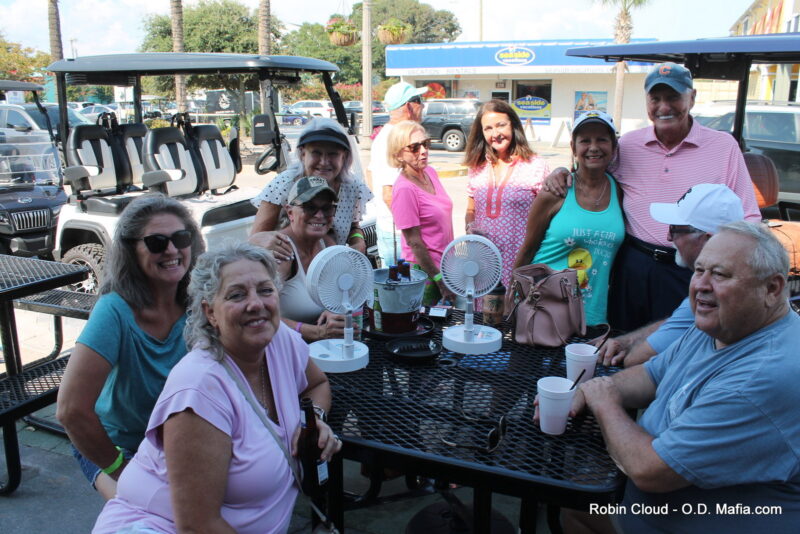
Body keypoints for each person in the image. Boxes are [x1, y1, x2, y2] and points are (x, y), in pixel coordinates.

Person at [553, 221, 800, 533]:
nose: (701, 285)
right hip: (657, 496)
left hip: (688, 516)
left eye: (720, 274)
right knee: (576, 493)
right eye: (699, 271)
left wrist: (603, 401)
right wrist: (596, 388)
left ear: (772, 288)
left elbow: (650, 471)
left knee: (577, 504)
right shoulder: (721, 324)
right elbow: (652, 374)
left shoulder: (759, 377)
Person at [92, 243, 342, 534]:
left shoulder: (279, 340)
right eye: (237, 295)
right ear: (210, 312)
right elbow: (198, 525)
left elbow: (317, 384)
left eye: (265, 290)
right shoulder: (199, 388)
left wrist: (315, 420)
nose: (256, 304)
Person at [543, 62, 761, 331]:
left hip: (690, 268)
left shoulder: (723, 146)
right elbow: (592, 170)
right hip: (633, 265)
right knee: (622, 341)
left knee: (680, 343)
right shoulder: (628, 145)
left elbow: (748, 216)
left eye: (673, 97)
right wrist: (562, 171)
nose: (663, 107)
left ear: (692, 98)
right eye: (655, 98)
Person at [57, 194, 205, 500]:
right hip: (115, 446)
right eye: (156, 242)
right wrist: (120, 469)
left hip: (180, 441)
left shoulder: (199, 302)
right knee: (155, 512)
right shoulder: (115, 311)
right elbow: (71, 410)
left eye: (181, 238)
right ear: (130, 251)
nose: (172, 250)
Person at [595, 184, 745, 367]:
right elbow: (679, 322)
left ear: (708, 239)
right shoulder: (729, 275)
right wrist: (627, 341)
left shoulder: (711, 288)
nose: (668, 237)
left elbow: (636, 360)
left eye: (674, 229)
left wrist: (624, 352)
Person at [513, 111, 624, 325]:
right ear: (573, 147)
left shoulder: (618, 191)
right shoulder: (556, 191)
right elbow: (528, 249)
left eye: (602, 139)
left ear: (614, 147)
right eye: (585, 141)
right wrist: (513, 298)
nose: (593, 147)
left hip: (593, 314)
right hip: (544, 309)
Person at [250, 117, 373, 260]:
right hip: (288, 267)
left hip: (332, 267)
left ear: (344, 156)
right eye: (316, 153)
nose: (324, 162)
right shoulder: (285, 184)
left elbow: (353, 226)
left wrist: (358, 240)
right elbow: (255, 239)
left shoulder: (352, 187)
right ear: (303, 154)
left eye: (333, 154)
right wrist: (266, 242)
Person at [463, 99, 549, 293]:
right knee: (485, 310)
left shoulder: (536, 165)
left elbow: (548, 217)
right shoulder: (477, 166)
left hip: (522, 263)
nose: (495, 134)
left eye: (501, 125)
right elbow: (470, 209)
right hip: (484, 264)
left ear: (513, 125)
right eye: (488, 128)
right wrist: (470, 229)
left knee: (517, 310)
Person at [266, 175, 349, 342]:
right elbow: (263, 315)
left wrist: (333, 311)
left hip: (323, 346)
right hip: (286, 347)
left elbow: (342, 293)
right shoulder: (281, 252)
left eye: (327, 208)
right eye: (310, 207)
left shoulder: (327, 244)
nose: (319, 215)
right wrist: (315, 332)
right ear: (290, 212)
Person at [389, 120, 456, 306]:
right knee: (428, 320)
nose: (424, 150)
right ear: (398, 154)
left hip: (445, 266)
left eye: (426, 143)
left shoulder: (430, 172)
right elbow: (414, 242)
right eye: (414, 147)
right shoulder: (404, 189)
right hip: (425, 272)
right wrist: (439, 279)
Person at [368, 81, 426, 267]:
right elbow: (388, 194)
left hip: (396, 232)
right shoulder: (393, 138)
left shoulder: (389, 134)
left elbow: (370, 174)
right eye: (419, 100)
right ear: (409, 106)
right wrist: (413, 236)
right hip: (399, 236)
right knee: (405, 283)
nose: (423, 106)